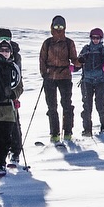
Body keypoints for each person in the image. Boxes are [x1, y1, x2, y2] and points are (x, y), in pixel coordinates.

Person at [38, 14, 80, 143]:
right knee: (52, 107)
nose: (58, 28)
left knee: (66, 105)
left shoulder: (69, 43)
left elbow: (74, 58)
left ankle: (67, 132)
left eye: (61, 26)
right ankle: (54, 133)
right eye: (56, 25)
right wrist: (44, 73)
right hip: (50, 77)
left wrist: (79, 63)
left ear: (65, 27)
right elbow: (42, 59)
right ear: (52, 27)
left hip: (65, 77)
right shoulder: (47, 43)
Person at [0, 29, 24, 171]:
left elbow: (19, 82)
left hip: (9, 104)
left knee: (12, 130)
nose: (4, 51)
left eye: (7, 39)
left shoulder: (15, 58)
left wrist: (13, 94)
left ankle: (14, 153)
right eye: (2, 39)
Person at [77, 28, 104, 134]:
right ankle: (87, 129)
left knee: (100, 103)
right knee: (87, 105)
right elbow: (79, 61)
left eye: (97, 38)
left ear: (101, 39)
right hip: (87, 80)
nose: (95, 40)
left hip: (100, 80)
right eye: (93, 37)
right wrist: (74, 66)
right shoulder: (86, 49)